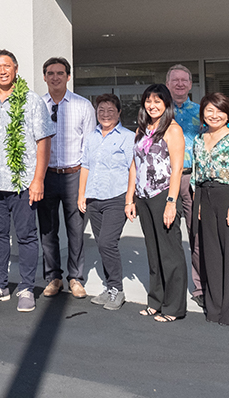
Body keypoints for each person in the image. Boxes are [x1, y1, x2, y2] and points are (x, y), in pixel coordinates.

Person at [0, 50, 55, 313]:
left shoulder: (31, 101)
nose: (2, 70)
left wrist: (38, 179)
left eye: (7, 65)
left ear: (16, 68)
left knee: (26, 236)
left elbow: (43, 141)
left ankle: (27, 287)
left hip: (22, 182)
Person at [127, 84, 187, 323]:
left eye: (157, 102)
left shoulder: (173, 130)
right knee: (153, 252)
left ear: (166, 104)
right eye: (148, 101)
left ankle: (173, 307)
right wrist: (129, 197)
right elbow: (134, 164)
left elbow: (178, 170)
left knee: (170, 253)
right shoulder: (142, 129)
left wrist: (172, 202)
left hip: (163, 196)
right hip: (143, 197)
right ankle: (155, 300)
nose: (152, 106)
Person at [38, 56, 95, 299]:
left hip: (74, 175)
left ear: (68, 76)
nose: (55, 77)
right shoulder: (37, 106)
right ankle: (53, 277)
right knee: (48, 229)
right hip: (47, 175)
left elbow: (90, 146)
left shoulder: (83, 106)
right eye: (50, 73)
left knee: (75, 228)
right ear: (44, 77)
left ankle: (76, 277)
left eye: (60, 73)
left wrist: (86, 182)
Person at [193, 92, 229, 326]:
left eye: (219, 111)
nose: (214, 115)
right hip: (206, 197)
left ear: (227, 114)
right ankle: (214, 309)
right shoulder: (199, 138)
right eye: (209, 110)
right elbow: (197, 174)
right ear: (203, 114)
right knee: (212, 255)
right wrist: (198, 204)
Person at [78, 94, 136, 311]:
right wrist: (81, 194)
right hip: (94, 198)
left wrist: (130, 199)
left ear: (119, 113)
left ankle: (117, 290)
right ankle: (110, 286)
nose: (105, 114)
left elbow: (133, 168)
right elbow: (85, 165)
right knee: (103, 247)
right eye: (101, 110)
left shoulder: (128, 137)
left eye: (110, 110)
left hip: (116, 197)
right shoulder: (91, 137)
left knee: (106, 243)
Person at [166, 63, 204, 306]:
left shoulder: (202, 112)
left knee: (197, 234)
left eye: (184, 80)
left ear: (190, 84)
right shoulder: (158, 111)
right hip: (166, 180)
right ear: (167, 84)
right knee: (168, 234)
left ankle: (200, 288)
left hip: (193, 179)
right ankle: (171, 285)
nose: (180, 84)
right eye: (175, 80)